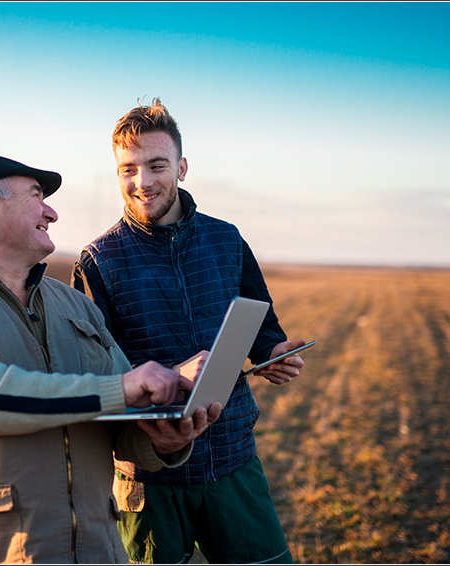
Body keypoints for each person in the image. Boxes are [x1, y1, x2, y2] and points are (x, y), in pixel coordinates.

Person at [0, 153, 222, 564]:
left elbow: (121, 415)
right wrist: (122, 387)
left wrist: (163, 439)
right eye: (37, 195)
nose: (52, 212)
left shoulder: (75, 305)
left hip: (97, 551)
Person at [71, 99, 308, 564]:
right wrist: (173, 374)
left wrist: (274, 351)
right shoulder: (98, 261)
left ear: (181, 167)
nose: (142, 182)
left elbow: (260, 321)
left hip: (233, 455)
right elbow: (94, 373)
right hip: (149, 475)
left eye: (156, 165)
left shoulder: (227, 239)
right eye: (128, 169)